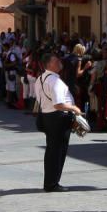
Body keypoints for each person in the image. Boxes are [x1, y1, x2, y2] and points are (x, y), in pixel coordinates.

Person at [37, 52, 83, 192]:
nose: (59, 62)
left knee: (51, 151)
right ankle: (52, 183)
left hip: (47, 116)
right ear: (49, 64)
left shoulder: (41, 79)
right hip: (57, 117)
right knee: (58, 152)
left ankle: (50, 181)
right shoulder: (54, 81)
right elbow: (58, 104)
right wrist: (74, 108)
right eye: (56, 61)